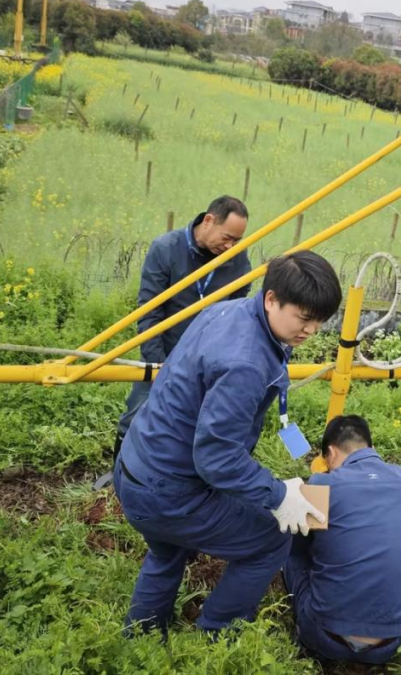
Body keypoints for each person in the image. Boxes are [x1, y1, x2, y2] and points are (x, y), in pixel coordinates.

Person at [115, 251, 343, 636]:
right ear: (272, 299)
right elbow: (217, 459)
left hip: (136, 465)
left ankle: (141, 634)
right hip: (168, 492)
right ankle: (218, 632)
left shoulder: (230, 311)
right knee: (271, 540)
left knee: (167, 551)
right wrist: (277, 495)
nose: (311, 331)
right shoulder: (245, 363)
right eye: (304, 319)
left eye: (319, 322)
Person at [100, 196, 253, 489]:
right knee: (137, 411)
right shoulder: (167, 249)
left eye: (238, 240)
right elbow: (149, 309)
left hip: (207, 358)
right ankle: (118, 474)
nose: (231, 246)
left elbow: (237, 310)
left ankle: (178, 479)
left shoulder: (237, 261)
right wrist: (157, 360)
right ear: (209, 221)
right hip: (164, 352)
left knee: (196, 421)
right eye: (227, 237)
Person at [284, 414, 401, 665]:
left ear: (331, 453)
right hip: (395, 639)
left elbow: (300, 548)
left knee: (293, 552)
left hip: (327, 635)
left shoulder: (320, 484)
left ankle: (311, 641)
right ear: (370, 447)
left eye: (326, 461)